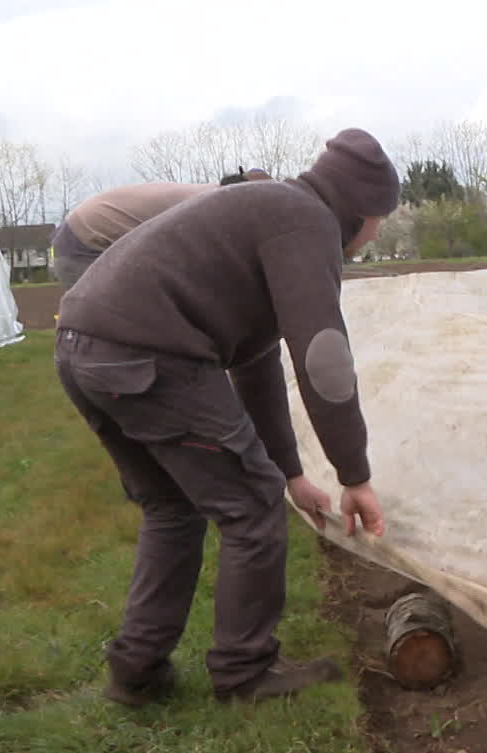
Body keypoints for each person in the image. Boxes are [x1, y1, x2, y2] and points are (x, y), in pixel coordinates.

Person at [53, 129, 398, 706]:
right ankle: (245, 672)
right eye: (381, 219)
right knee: (251, 506)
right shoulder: (306, 223)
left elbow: (256, 365)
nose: (379, 232)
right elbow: (324, 359)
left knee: (174, 506)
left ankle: (136, 672)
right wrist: (354, 476)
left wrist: (291, 471)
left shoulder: (269, 213)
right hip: (150, 356)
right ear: (362, 210)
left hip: (82, 349)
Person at [49, 168, 272, 288]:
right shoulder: (208, 207)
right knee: (120, 323)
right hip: (82, 246)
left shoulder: (209, 197)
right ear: (243, 196)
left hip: (84, 237)